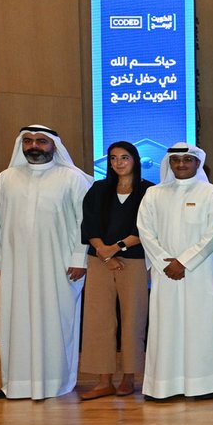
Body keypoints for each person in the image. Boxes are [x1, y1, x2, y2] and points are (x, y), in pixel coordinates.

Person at [0, 125, 90, 400]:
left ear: (53, 146)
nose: (34, 146)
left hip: (59, 267)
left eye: (41, 141)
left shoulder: (72, 178)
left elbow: (85, 223)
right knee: (16, 323)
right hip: (16, 266)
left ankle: (55, 382)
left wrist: (80, 258)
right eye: (28, 141)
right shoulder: (6, 178)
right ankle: (17, 383)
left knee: (56, 323)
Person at [137, 144, 213, 401]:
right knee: (165, 328)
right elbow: (145, 230)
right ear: (169, 163)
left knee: (201, 328)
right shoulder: (154, 194)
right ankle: (163, 386)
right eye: (175, 160)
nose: (181, 164)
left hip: (200, 273)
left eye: (187, 160)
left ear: (197, 163)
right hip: (165, 272)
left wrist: (184, 262)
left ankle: (204, 385)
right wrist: (165, 262)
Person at [77, 141, 152, 400]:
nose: (118, 163)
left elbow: (147, 228)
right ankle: (103, 380)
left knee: (133, 319)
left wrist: (116, 248)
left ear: (135, 160)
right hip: (99, 261)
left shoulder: (148, 191)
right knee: (98, 319)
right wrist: (104, 252)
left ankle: (129, 378)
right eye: (113, 158)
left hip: (134, 261)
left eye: (124, 157)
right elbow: (89, 225)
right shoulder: (98, 189)